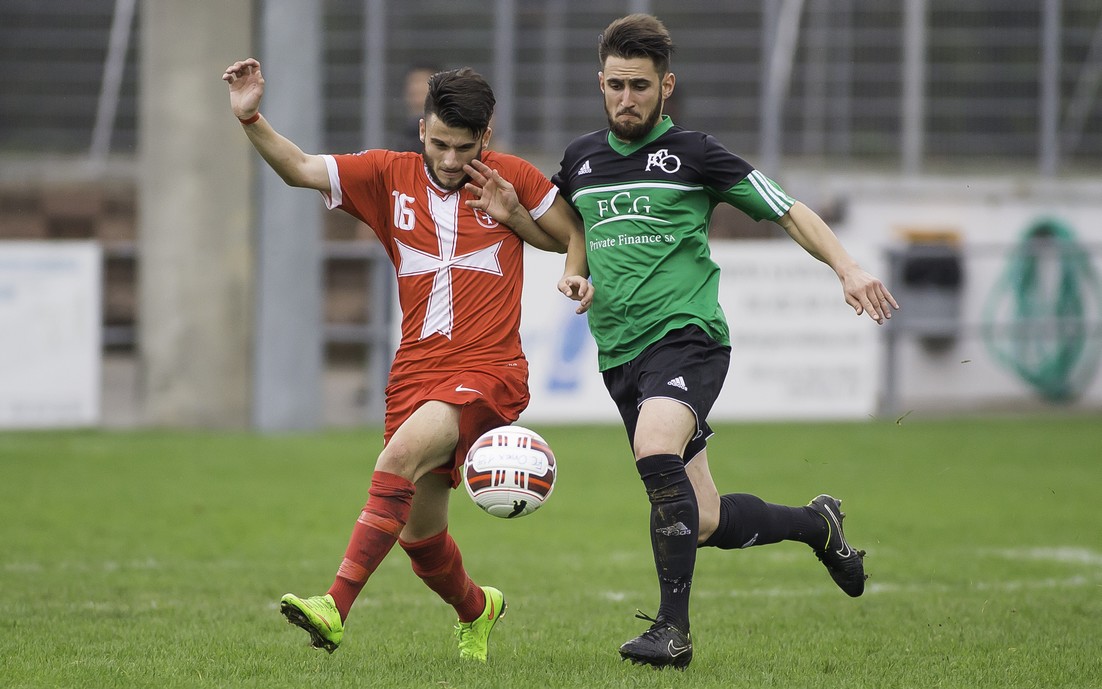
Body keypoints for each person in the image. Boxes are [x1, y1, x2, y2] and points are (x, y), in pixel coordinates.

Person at [549, 14, 900, 669]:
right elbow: (566, 223)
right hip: (620, 355)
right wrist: (572, 271)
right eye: (616, 85)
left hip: (689, 340)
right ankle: (817, 525)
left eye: (640, 86)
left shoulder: (695, 153)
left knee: (656, 446)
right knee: (703, 517)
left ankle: (672, 630)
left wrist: (847, 267)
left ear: (666, 87)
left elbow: (786, 206)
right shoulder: (580, 159)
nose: (627, 98)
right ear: (600, 83)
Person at [221, 58, 579, 662]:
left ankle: (333, 607)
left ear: (485, 137)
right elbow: (301, 168)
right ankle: (478, 609)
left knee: (397, 458)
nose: (448, 159)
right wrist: (250, 116)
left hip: (488, 372)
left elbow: (573, 236)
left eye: (463, 148)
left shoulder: (511, 176)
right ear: (421, 130)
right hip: (414, 375)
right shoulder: (387, 176)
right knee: (420, 536)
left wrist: (514, 215)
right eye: (439, 143)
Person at [395, 64, 441, 152]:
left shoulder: (445, 131)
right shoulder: (407, 133)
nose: (416, 87)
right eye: (413, 82)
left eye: (423, 82)